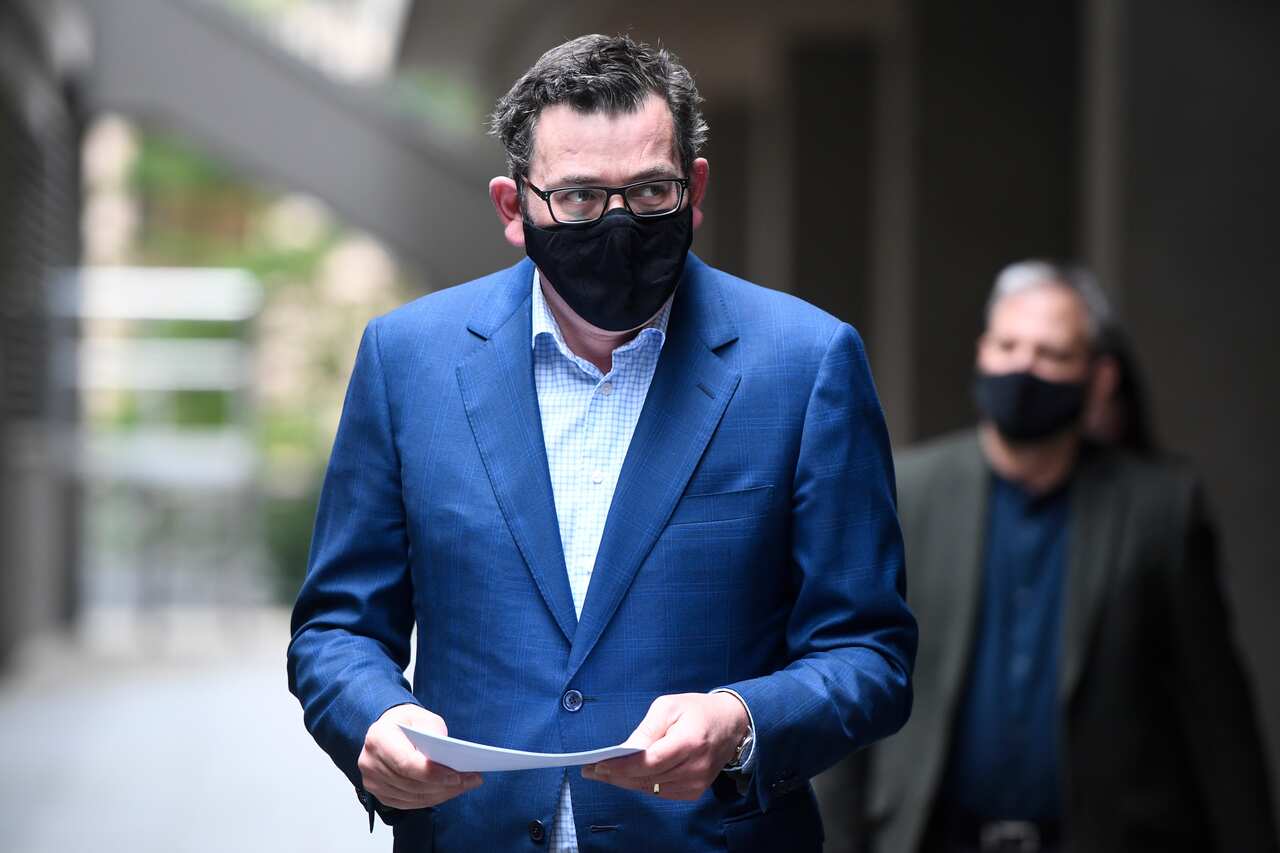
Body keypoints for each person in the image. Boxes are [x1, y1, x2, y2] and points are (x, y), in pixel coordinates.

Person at [287, 34, 916, 852]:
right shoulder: (407, 360)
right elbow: (337, 625)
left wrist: (740, 719)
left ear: (693, 191)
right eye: (580, 198)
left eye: (649, 191)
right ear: (514, 209)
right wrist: (377, 719)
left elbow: (870, 651)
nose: (617, 222)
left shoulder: (805, 363)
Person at [831, 260, 1278, 852]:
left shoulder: (1160, 508)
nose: (1025, 369)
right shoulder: (907, 492)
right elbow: (848, 676)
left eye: (1052, 354)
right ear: (981, 352)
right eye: (1009, 345)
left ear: (1100, 377)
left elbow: (1215, 713)